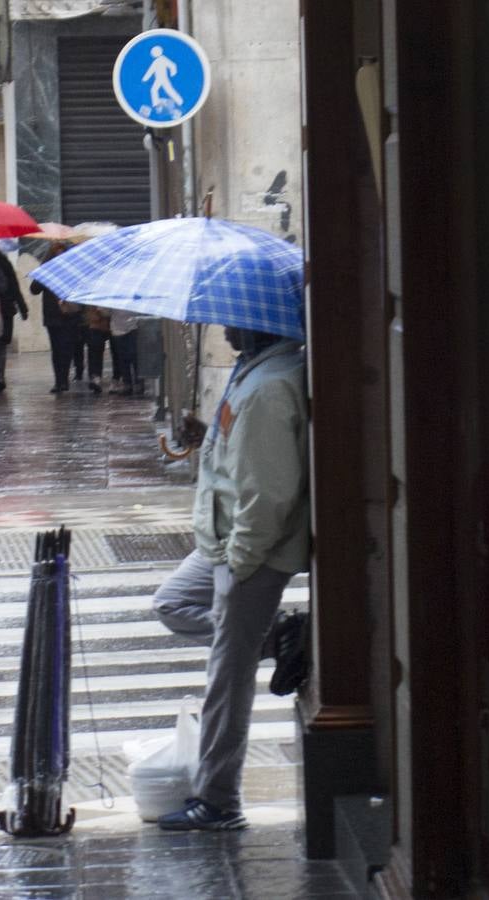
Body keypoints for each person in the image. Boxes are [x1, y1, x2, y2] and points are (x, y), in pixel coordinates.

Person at [151, 326, 309, 831]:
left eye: (232, 319)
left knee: (228, 675)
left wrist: (242, 562)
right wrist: (209, 436)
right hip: (220, 540)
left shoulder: (268, 386)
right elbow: (245, 457)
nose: (223, 328)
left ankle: (218, 799)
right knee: (172, 603)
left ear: (261, 323)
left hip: (247, 550)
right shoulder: (254, 372)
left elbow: (268, 490)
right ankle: (281, 635)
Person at [31, 242, 77, 393]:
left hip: (68, 314)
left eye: (61, 251)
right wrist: (43, 275)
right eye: (56, 252)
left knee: (67, 348)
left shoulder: (71, 270)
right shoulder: (46, 270)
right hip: (52, 316)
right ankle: (59, 380)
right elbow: (34, 289)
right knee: (57, 349)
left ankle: (64, 379)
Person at [0, 254, 29, 393]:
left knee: (1, 343)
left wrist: (22, 307)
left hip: (4, 310)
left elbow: (13, 285)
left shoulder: (3, 262)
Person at [108, 309, 140, 394]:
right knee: (123, 358)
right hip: (118, 330)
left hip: (133, 326)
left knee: (134, 355)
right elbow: (105, 312)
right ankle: (127, 383)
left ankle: (137, 382)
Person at [82, 306, 112, 394]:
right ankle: (95, 376)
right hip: (96, 324)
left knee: (117, 352)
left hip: (115, 323)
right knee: (95, 350)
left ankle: (117, 378)